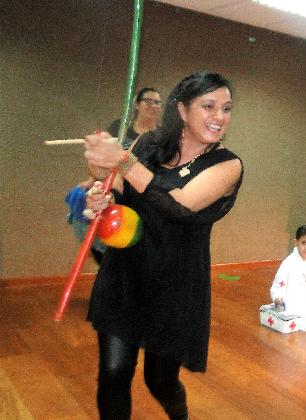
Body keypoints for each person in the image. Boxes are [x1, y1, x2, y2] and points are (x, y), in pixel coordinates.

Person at [82, 71, 243, 420]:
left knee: (160, 380)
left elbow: (179, 206)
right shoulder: (146, 147)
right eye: (209, 106)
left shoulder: (227, 165)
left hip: (175, 285)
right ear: (183, 111)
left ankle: (179, 416)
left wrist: (122, 159)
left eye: (226, 108)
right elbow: (120, 189)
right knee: (113, 373)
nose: (220, 117)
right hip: (125, 275)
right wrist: (101, 193)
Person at [65, 87, 163, 263]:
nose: (153, 106)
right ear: (137, 104)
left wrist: (123, 161)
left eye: (157, 102)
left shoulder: (162, 137)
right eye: (148, 101)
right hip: (117, 193)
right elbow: (101, 161)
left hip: (145, 199)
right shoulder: (120, 129)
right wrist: (93, 180)